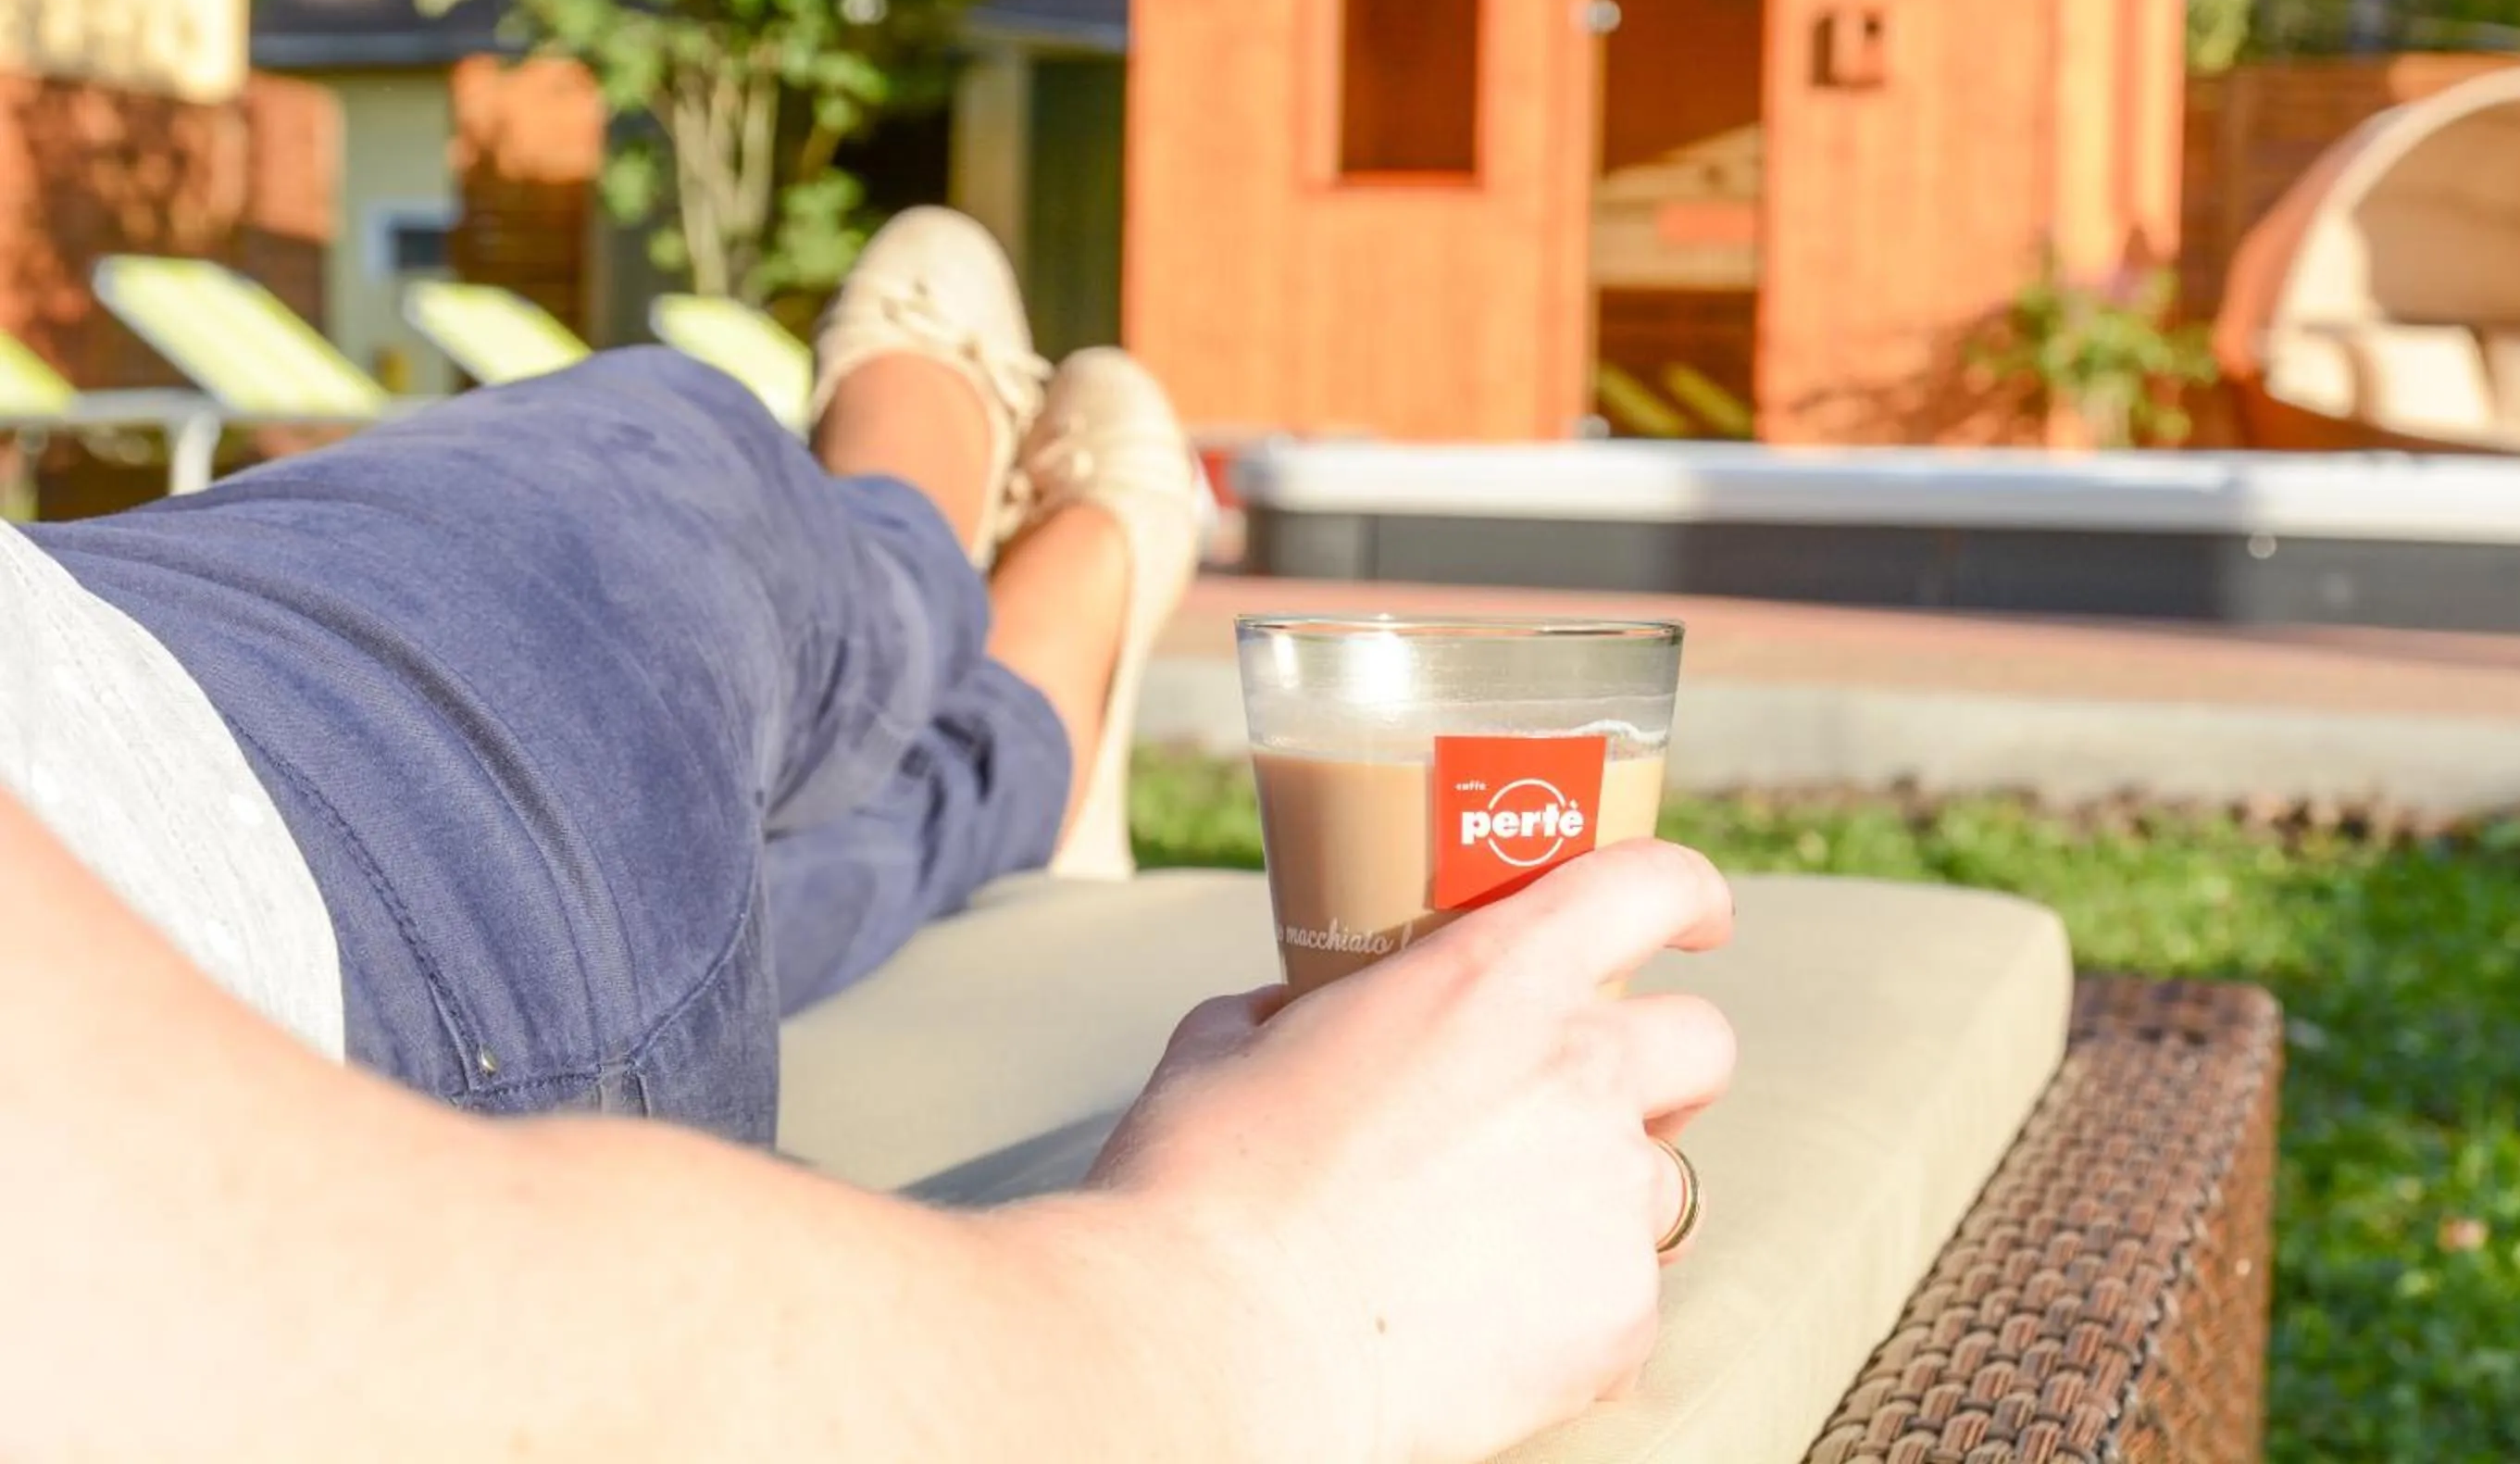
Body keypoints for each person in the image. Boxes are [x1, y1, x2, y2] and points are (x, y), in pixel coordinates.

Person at [0, 209, 1738, 1463]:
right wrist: (1260, 1308)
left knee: (718, 888)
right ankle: (928, 553)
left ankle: (1019, 721)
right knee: (662, 456)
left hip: (144, 819)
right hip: (235, 850)